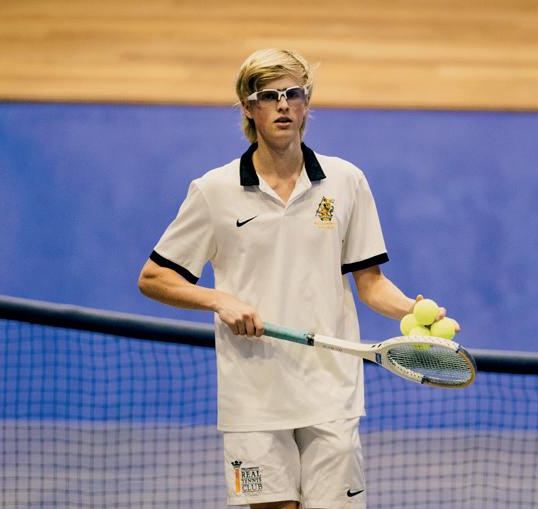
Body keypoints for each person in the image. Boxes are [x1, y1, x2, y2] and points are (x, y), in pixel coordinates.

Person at [138, 48, 448, 509]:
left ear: (306, 104)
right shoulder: (214, 191)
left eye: (293, 94)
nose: (283, 105)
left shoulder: (346, 181)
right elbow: (154, 277)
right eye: (269, 96)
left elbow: (370, 283)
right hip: (253, 395)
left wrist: (413, 310)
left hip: (330, 391)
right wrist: (219, 300)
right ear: (249, 108)